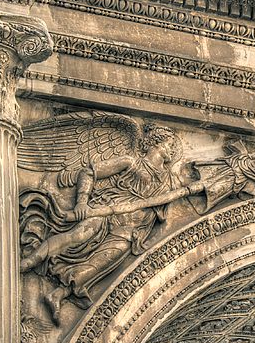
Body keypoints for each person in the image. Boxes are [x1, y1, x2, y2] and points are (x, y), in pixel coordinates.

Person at [20, 125, 180, 323]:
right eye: (168, 145)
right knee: (77, 236)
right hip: (106, 211)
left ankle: (58, 294)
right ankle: (28, 262)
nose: (171, 150)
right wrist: (81, 202)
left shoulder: (170, 181)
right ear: (155, 143)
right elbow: (89, 172)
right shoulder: (130, 162)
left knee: (101, 264)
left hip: (130, 230)